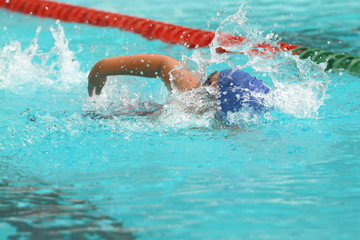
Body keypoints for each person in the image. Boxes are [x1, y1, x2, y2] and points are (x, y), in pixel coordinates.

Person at [88, 54, 271, 121]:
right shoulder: (218, 118)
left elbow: (165, 62)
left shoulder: (192, 101)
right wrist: (100, 70)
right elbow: (164, 63)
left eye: (206, 83)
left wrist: (99, 70)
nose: (196, 83)